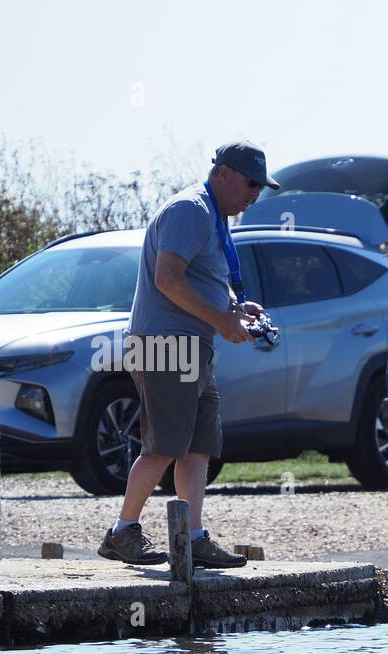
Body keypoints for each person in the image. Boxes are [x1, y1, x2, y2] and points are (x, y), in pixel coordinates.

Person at [98, 141, 279, 566]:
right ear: (225, 173)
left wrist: (235, 306)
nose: (255, 193)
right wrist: (221, 320)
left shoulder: (212, 216)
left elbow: (198, 278)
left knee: (198, 446)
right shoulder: (191, 210)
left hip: (192, 346)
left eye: (261, 186)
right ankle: (122, 533)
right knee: (163, 446)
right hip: (166, 345)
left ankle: (193, 538)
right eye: (251, 182)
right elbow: (168, 279)